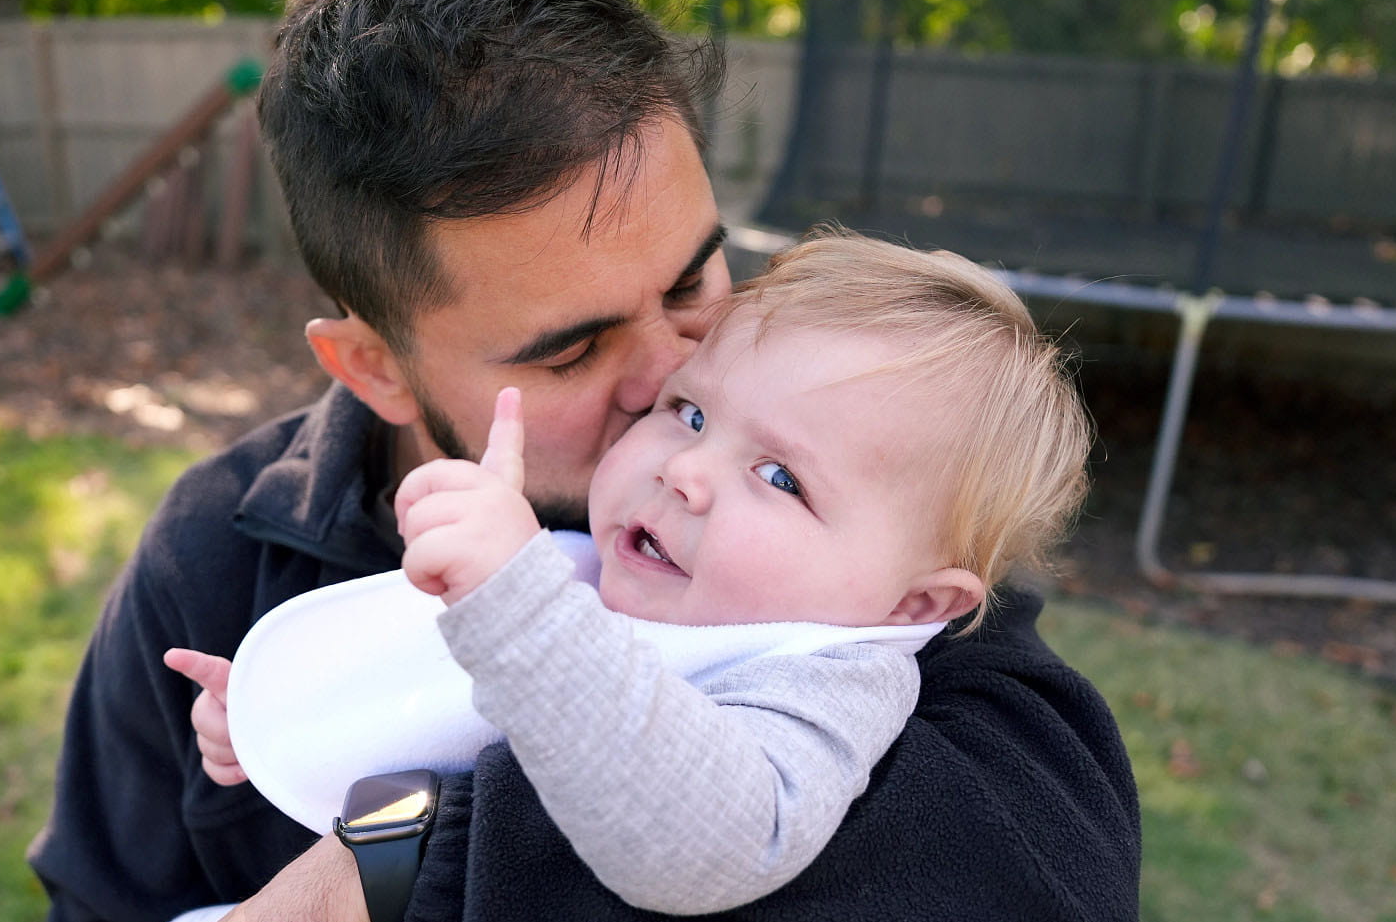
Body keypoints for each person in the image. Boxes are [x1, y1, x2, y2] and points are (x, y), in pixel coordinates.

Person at [27, 0, 1141, 920]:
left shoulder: (865, 553)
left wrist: (390, 867)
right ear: (376, 369)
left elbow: (1032, 881)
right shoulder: (218, 555)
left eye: (696, 280)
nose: (674, 378)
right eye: (570, 350)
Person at [210, 233, 1095, 916]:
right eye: (692, 410)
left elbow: (708, 838)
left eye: (782, 478)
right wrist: (280, 709)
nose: (687, 469)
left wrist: (517, 603)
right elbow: (452, 711)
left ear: (916, 603)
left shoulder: (826, 679)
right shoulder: (617, 569)